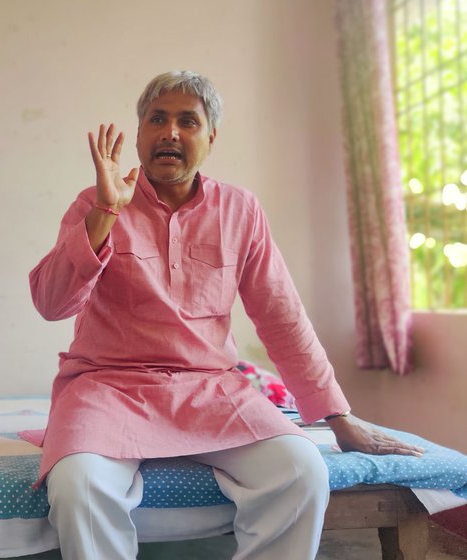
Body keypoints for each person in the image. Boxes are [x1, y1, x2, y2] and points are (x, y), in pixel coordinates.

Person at [29, 70, 423, 560]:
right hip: (108, 387)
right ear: (139, 134)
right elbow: (51, 303)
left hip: (209, 389)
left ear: (209, 137)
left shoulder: (242, 210)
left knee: (301, 470)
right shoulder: (96, 203)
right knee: (78, 487)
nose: (170, 132)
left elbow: (281, 316)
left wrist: (337, 416)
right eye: (157, 119)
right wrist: (106, 212)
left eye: (187, 121)